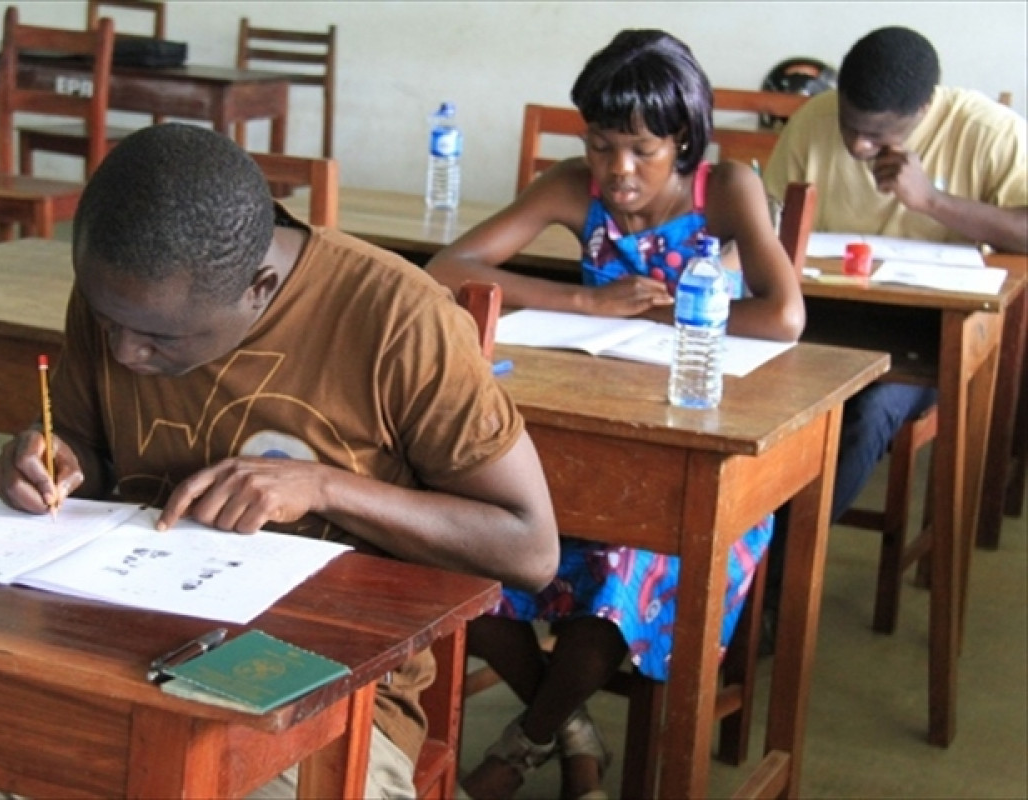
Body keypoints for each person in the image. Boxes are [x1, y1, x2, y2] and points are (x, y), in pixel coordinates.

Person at [0, 123, 560, 800]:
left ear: (259, 290)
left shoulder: (399, 319)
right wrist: (52, 459)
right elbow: (86, 448)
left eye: (159, 338)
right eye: (108, 322)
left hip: (311, 700)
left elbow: (529, 549)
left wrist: (326, 487)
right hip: (92, 662)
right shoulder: (125, 292)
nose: (125, 352)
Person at [426, 29, 804, 800]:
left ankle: (521, 748)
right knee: (457, 555)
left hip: (700, 449)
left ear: (684, 141)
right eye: (600, 146)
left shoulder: (725, 190)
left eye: (641, 150)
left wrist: (666, 313)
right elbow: (447, 269)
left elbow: (784, 315)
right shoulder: (575, 189)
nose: (617, 170)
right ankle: (570, 732)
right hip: (592, 431)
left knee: (621, 578)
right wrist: (587, 301)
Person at [761, 26, 1028, 628]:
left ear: (925, 108)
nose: (858, 145)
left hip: (925, 339)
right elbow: (770, 218)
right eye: (850, 125)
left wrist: (931, 200)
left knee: (867, 411)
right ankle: (730, 552)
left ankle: (766, 592)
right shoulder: (814, 120)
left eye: (879, 134)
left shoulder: (986, 132)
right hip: (825, 318)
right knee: (744, 389)